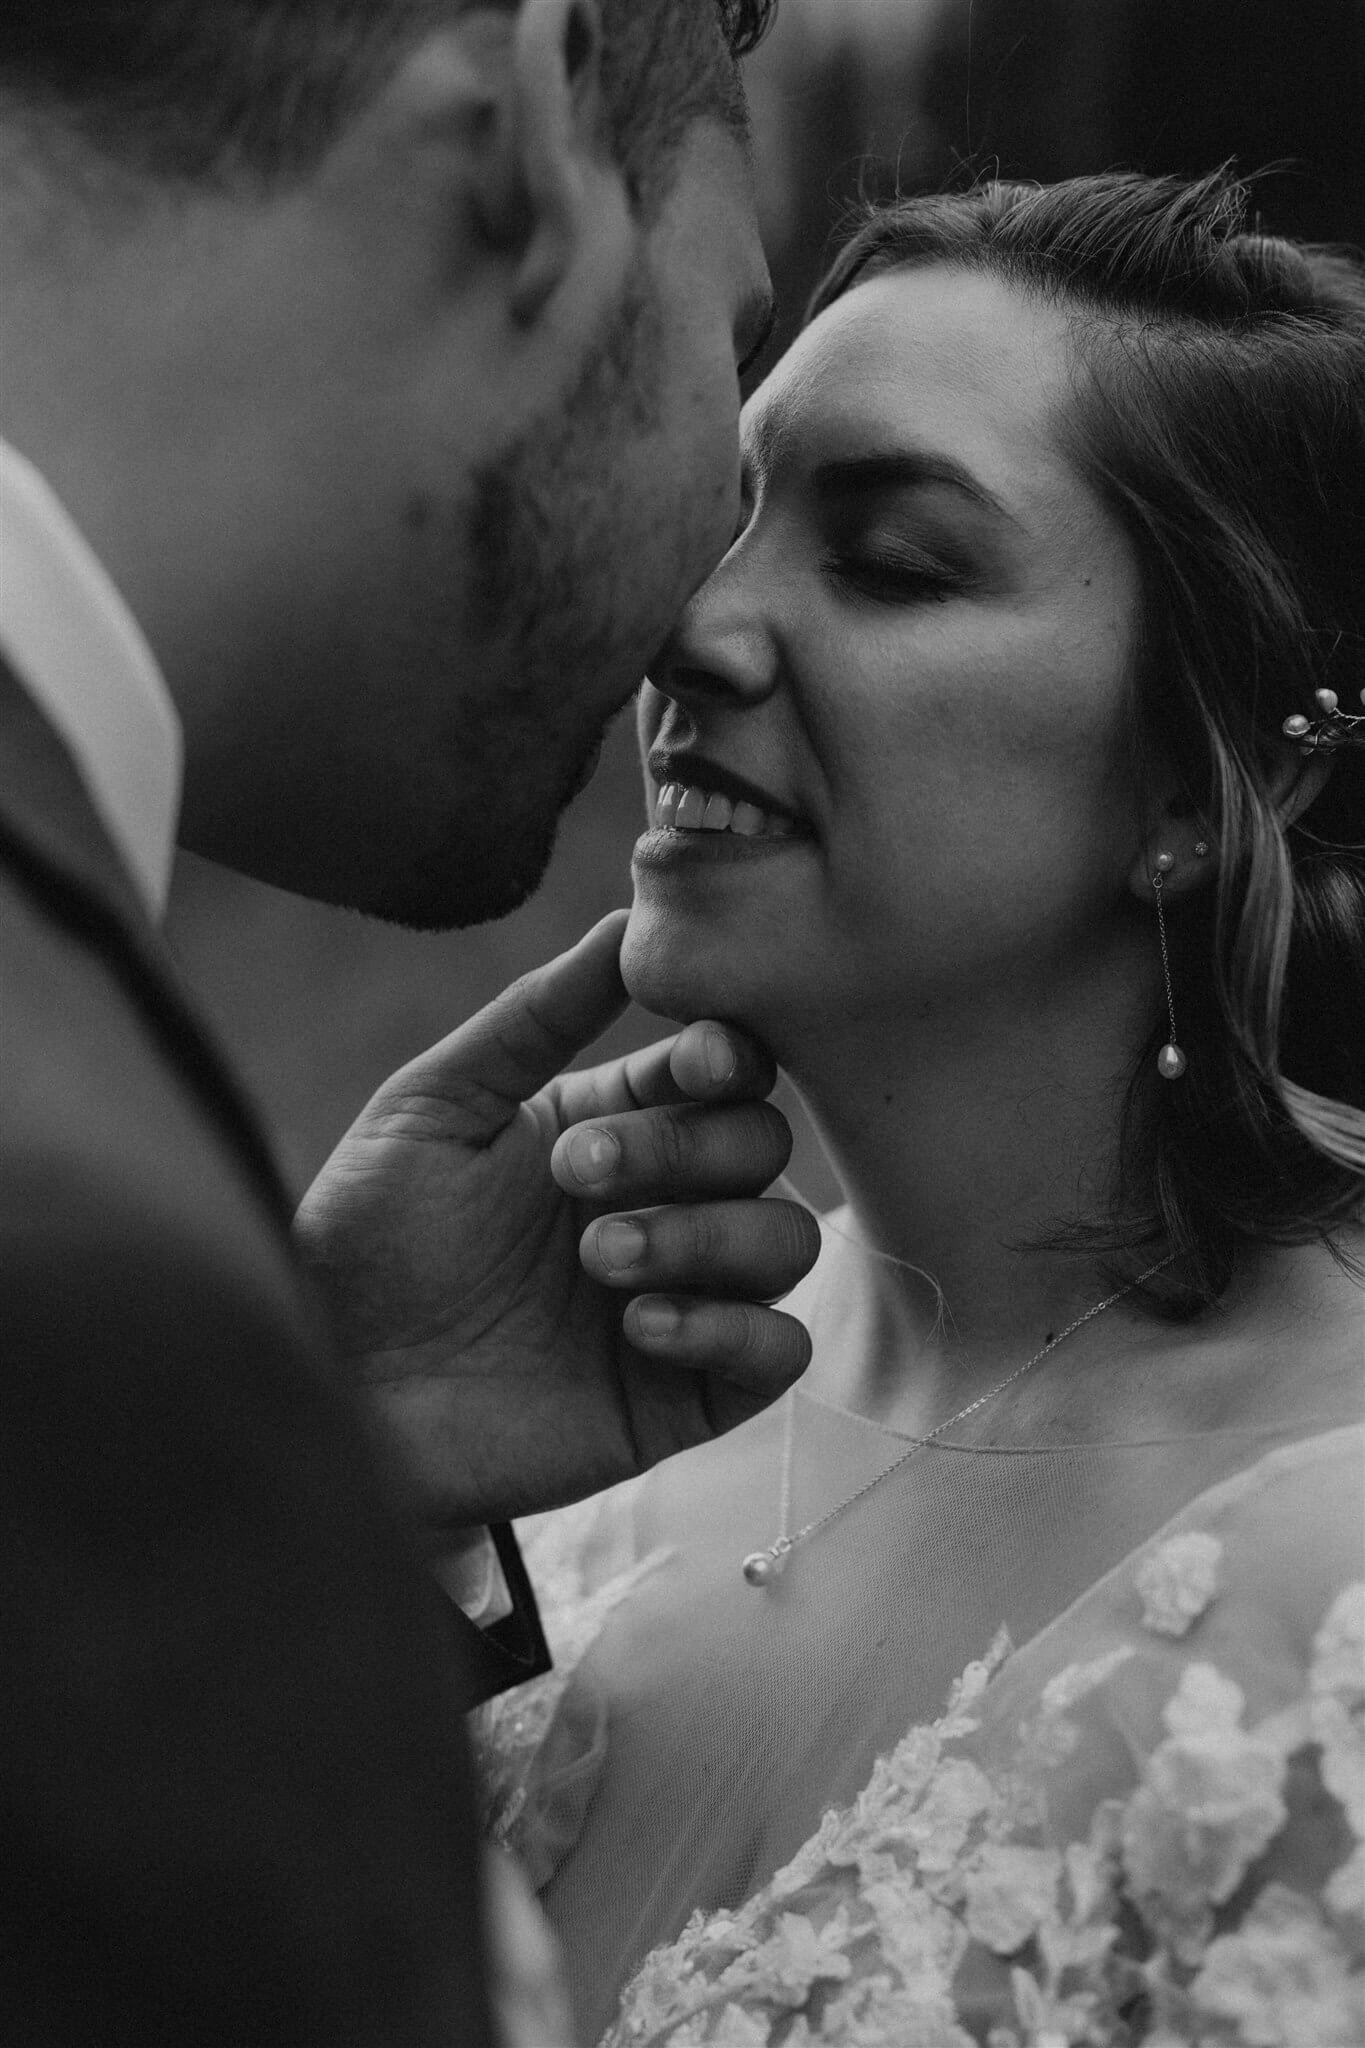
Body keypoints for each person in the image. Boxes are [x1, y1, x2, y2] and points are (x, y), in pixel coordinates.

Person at [0, 2, 828, 2042]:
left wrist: (316, 1450)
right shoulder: (84, 1284)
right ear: (538, 139)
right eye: (728, 374)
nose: (701, 619)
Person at [476, 170, 1365, 2045]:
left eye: (888, 563)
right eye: (720, 519)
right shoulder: (553, 1429)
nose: (688, 632)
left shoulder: (1332, 1600)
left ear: (1202, 788)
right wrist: (355, 1457)